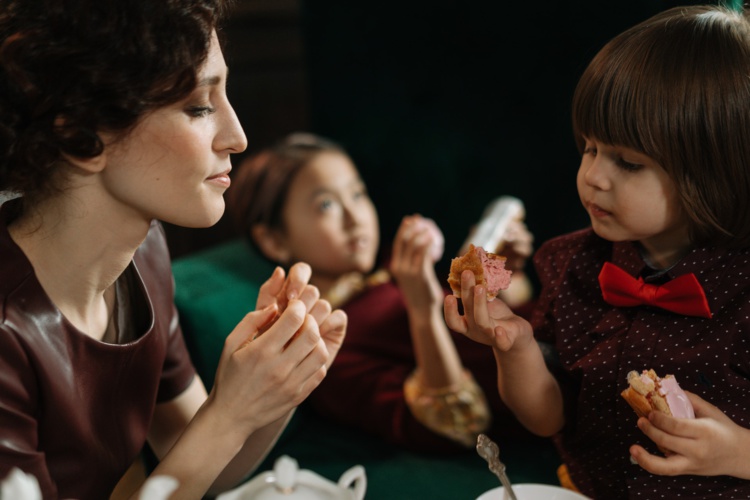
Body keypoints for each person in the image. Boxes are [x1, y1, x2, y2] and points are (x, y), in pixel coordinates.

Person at [0, 2, 346, 499]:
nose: (239, 137)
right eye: (199, 106)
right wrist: (231, 413)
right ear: (81, 136)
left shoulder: (144, 253)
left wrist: (278, 385)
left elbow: (198, 466)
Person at [444, 4, 750, 499]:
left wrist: (739, 452)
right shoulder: (569, 264)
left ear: (716, 176)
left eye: (627, 163)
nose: (594, 177)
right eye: (589, 148)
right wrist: (515, 346)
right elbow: (547, 419)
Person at [226, 132, 543, 453]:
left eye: (358, 194)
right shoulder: (327, 348)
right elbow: (457, 424)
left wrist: (502, 269)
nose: (356, 218)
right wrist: (423, 312)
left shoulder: (397, 265)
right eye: (326, 205)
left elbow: (511, 306)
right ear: (274, 241)